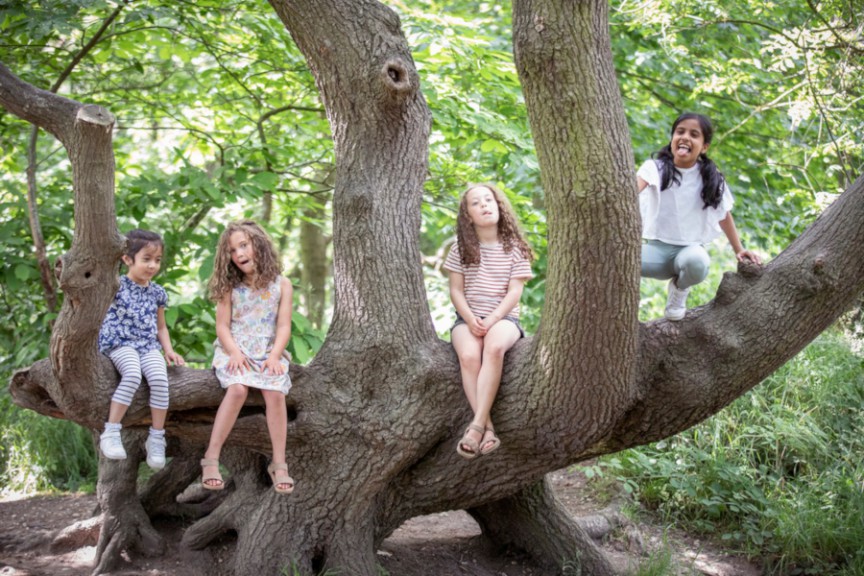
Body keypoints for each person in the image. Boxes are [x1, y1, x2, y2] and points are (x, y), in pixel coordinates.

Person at [200, 220, 295, 494]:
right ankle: (211, 458)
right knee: (239, 390)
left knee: (276, 394)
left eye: (244, 245)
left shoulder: (282, 285)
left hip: (267, 351)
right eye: (232, 250)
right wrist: (234, 352)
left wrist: (276, 356)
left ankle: (279, 464)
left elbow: (283, 326)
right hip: (235, 349)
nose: (239, 253)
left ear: (259, 244)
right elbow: (222, 326)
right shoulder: (230, 286)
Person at [637, 113, 762, 321]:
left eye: (694, 135)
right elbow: (630, 194)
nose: (685, 137)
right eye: (680, 132)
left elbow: (723, 214)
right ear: (672, 139)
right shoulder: (654, 168)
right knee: (618, 260)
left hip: (689, 250)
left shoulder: (710, 177)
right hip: (655, 250)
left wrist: (739, 249)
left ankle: (679, 292)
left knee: (697, 262)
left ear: (704, 147)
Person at [444, 183, 534, 459]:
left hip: (504, 318)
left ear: (499, 206)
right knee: (470, 356)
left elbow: (515, 292)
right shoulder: (460, 249)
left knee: (493, 349)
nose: (484, 205)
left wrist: (493, 318)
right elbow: (456, 290)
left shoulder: (515, 248)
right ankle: (488, 429)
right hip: (468, 319)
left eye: (489, 200)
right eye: (476, 203)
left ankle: (475, 427)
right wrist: (471, 319)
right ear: (468, 216)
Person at [98, 229, 185, 470]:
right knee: (133, 374)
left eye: (157, 260)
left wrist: (168, 350)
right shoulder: (116, 286)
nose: (152, 266)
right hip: (121, 342)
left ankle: (156, 437)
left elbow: (161, 327)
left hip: (147, 346)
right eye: (146, 259)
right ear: (127, 259)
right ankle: (111, 431)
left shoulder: (157, 292)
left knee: (159, 379)